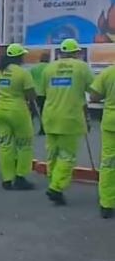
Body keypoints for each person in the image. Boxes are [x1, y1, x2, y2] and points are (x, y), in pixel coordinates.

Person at [41, 39, 94, 205]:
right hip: (70, 118)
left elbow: (43, 92)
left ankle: (53, 182)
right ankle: (56, 187)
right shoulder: (81, 67)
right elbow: (94, 90)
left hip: (49, 116)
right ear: (77, 52)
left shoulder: (49, 68)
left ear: (60, 52)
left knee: (52, 154)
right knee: (67, 156)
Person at [0, 43, 39, 191]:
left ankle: (7, 178)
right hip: (18, 110)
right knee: (24, 144)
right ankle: (20, 177)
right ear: (20, 57)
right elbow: (31, 94)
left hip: (0, 108)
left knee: (5, 145)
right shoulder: (22, 73)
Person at [89, 63, 115, 218]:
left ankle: (107, 204)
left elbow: (94, 96)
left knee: (108, 164)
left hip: (111, 123)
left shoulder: (108, 72)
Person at [30, 53, 49, 135]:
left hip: (35, 92)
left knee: (32, 112)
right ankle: (43, 129)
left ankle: (28, 127)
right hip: (44, 92)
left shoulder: (34, 68)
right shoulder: (49, 68)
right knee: (43, 112)